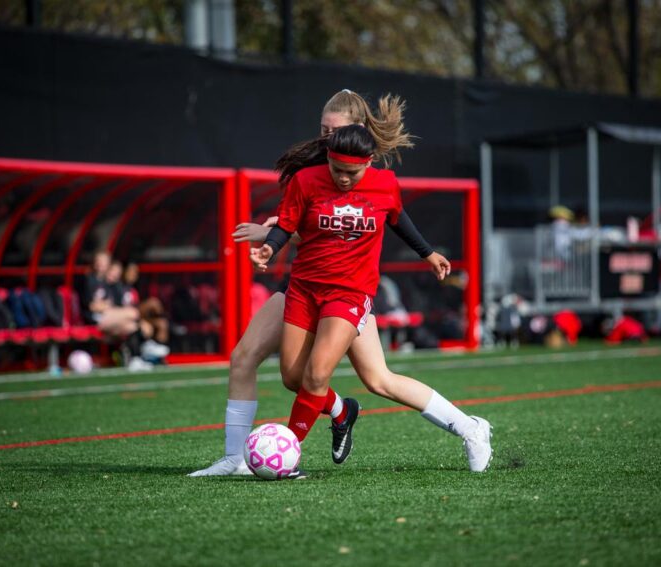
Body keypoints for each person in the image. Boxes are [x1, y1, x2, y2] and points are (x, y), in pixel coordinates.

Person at [189, 90, 491, 478]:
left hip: (349, 290)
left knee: (373, 379)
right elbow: (304, 225)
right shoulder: (314, 172)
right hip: (303, 283)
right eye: (323, 130)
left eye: (335, 131)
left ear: (359, 132)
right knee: (264, 365)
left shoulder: (375, 181)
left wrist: (427, 253)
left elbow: (370, 223)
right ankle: (251, 452)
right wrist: (273, 235)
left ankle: (470, 428)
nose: (326, 138)